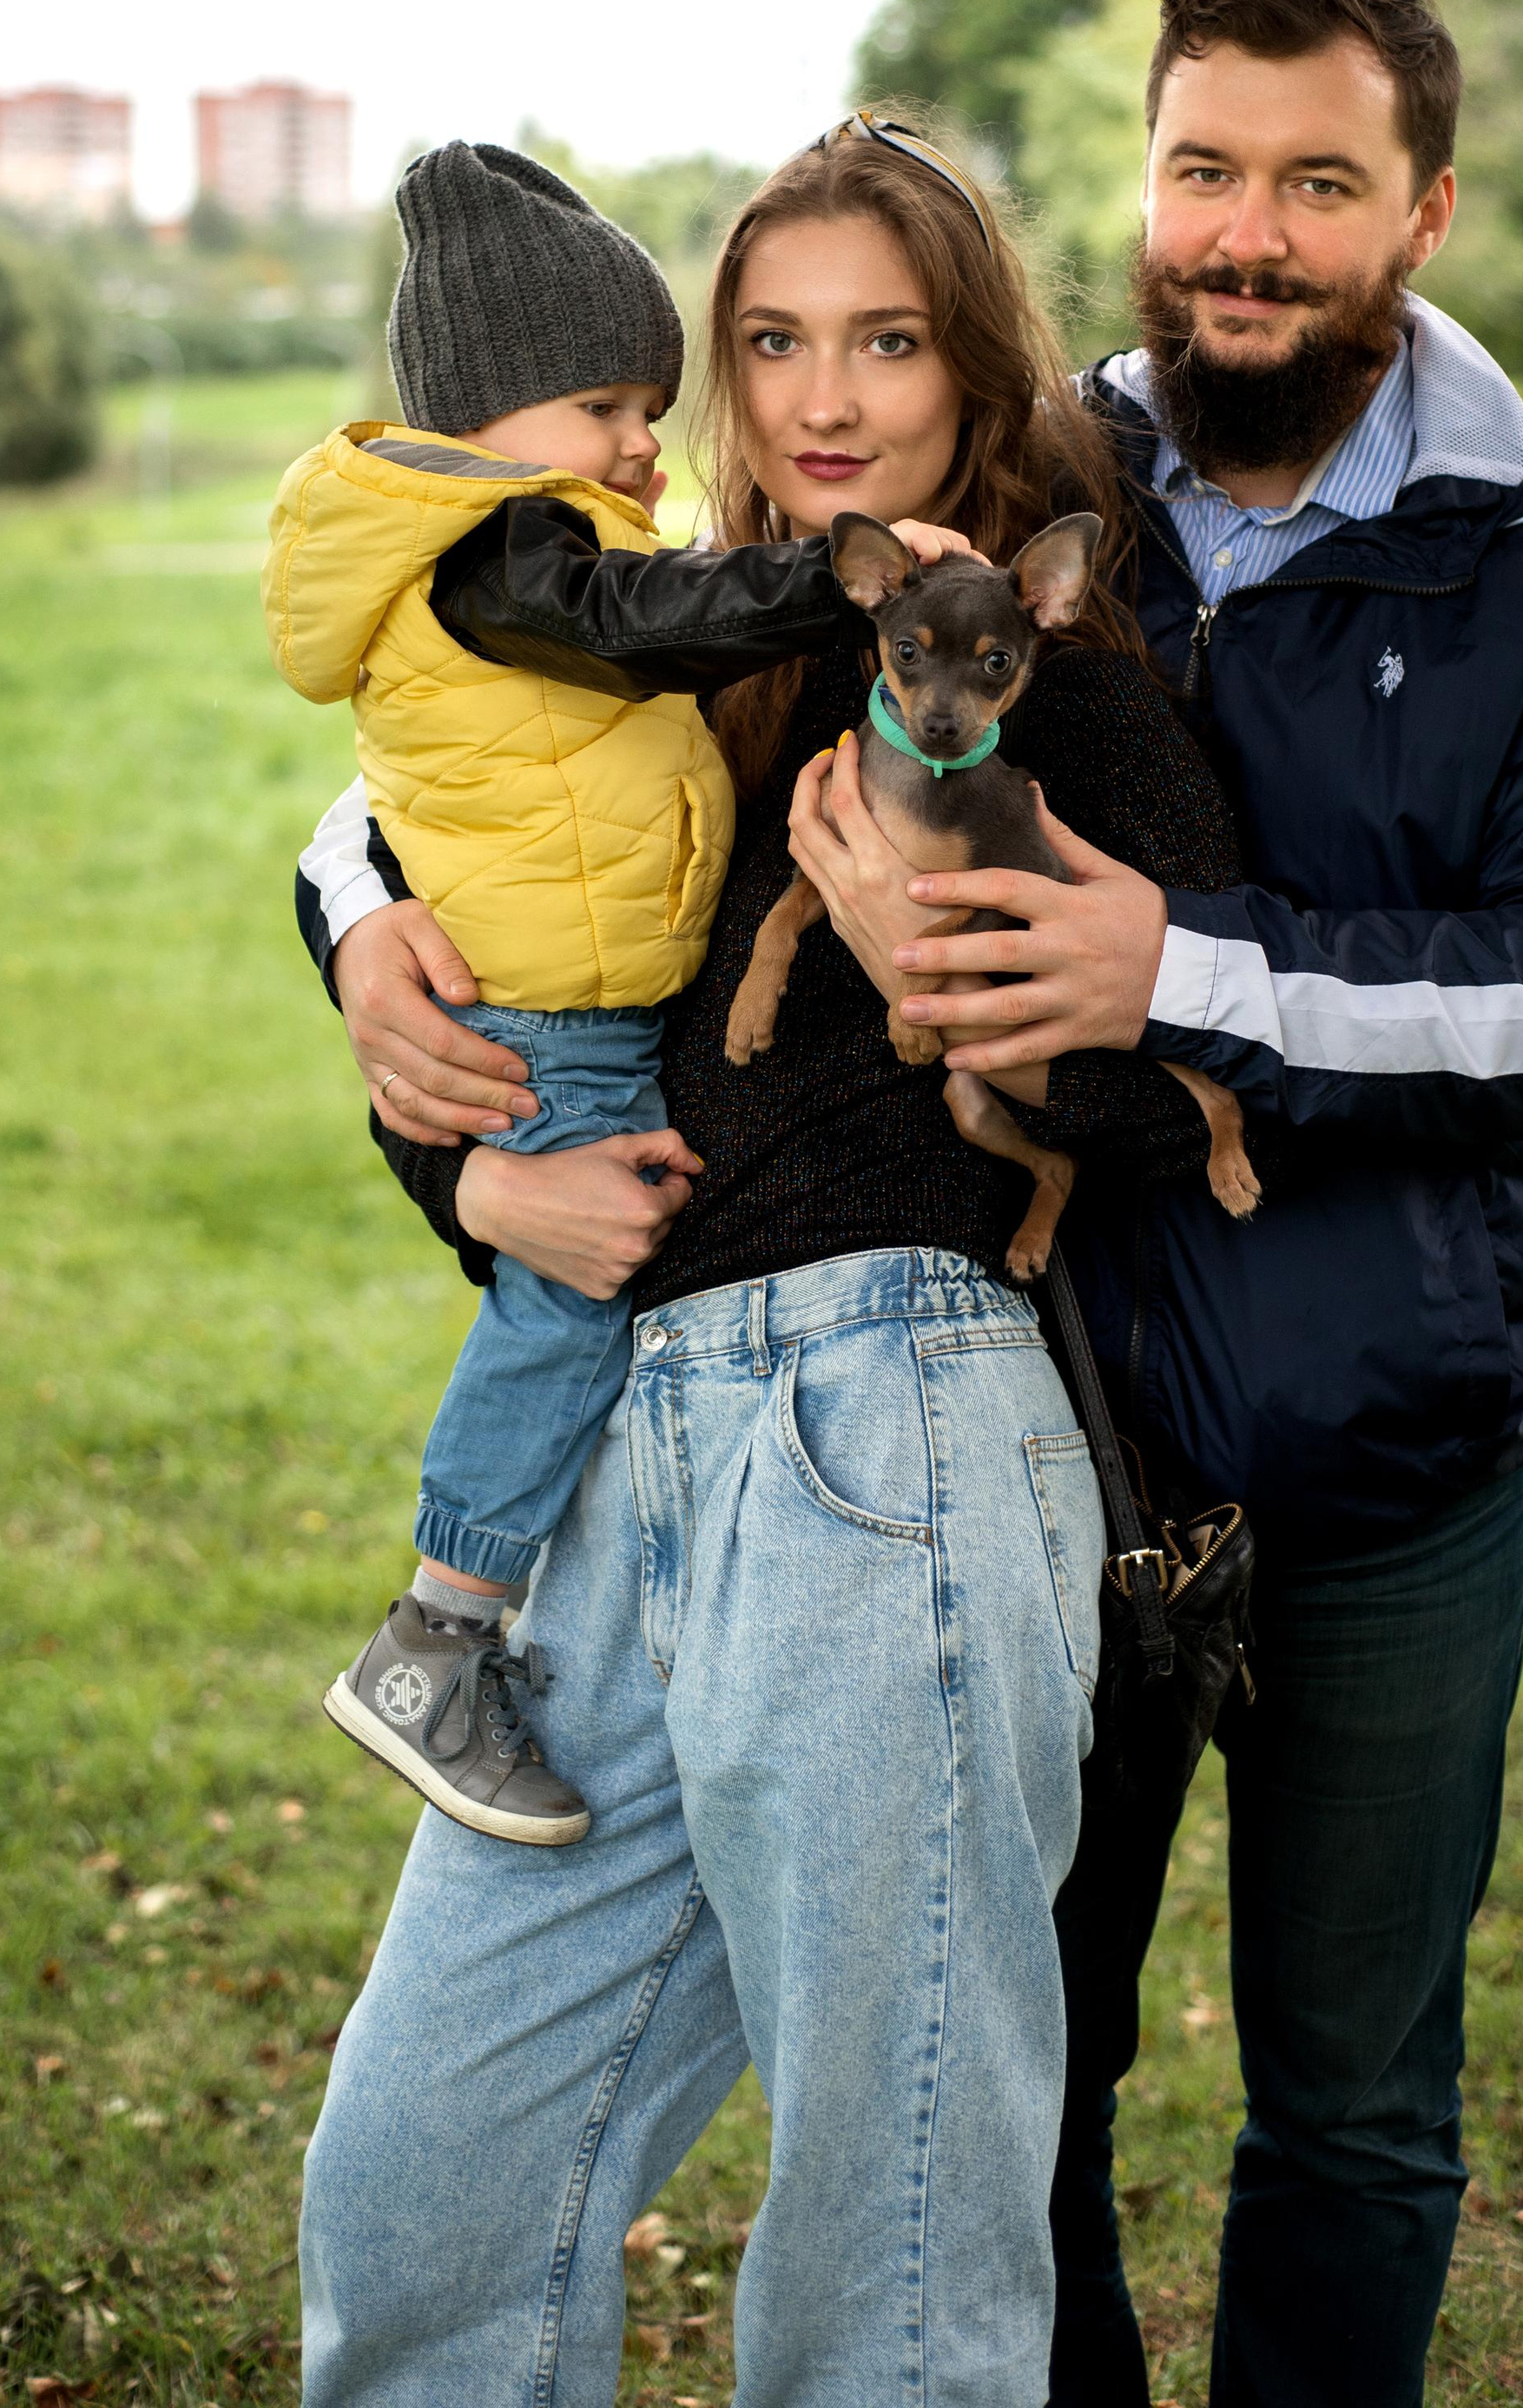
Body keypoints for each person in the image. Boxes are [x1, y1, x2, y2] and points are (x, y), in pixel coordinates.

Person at [776, 0, 1523, 2408]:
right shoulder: (1026, 490)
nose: (1247, 231)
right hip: (1041, 1442)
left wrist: (1183, 977)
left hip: (1401, 1469)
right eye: (1205, 167)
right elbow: (638, 632)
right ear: (1148, 178)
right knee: (1023, 2094)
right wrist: (357, 898)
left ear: (1422, 213)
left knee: (1354, 2114)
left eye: (1321, 182)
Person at [291, 117, 1245, 2405]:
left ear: (969, 365)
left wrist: (967, 971)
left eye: (885, 340)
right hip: (625, 1465)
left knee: (888, 2262)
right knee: (422, 2182)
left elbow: (1199, 1068)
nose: (822, 393)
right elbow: (507, 950)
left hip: (888, 1439)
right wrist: (424, 1092)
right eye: (771, 338)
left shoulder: (1040, 644)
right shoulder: (676, 639)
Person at [264, 135, 964, 1846]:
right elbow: (646, 621)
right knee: (570, 1287)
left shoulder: (498, 543)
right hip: (554, 1016)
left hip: (586, 1005)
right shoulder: (504, 557)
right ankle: (439, 1631)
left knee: (578, 1276)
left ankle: (489, 1616)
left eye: (655, 402)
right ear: (484, 416)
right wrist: (849, 576)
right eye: (603, 405)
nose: (643, 441)